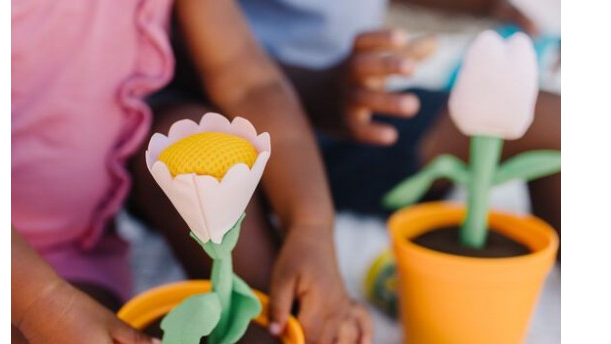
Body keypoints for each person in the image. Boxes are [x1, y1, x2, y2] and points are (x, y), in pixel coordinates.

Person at [12, 2, 559, 344]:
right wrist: (41, 306)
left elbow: (249, 81)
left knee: (267, 280)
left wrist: (311, 228)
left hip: (77, 253)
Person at [164, 0, 561, 238]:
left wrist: (487, 6)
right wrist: (313, 91)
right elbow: (150, 37)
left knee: (561, 127)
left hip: (359, 107)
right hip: (231, 127)